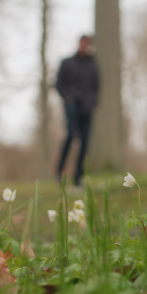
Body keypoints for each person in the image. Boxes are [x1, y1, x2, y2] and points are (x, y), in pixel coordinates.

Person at [55, 35, 99, 187]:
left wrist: (92, 102)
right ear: (79, 43)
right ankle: (59, 171)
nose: (85, 46)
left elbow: (97, 86)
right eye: (83, 43)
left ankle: (78, 176)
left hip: (87, 109)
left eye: (88, 44)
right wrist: (68, 97)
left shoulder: (93, 64)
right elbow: (59, 83)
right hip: (72, 107)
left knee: (85, 142)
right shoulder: (68, 63)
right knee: (71, 136)